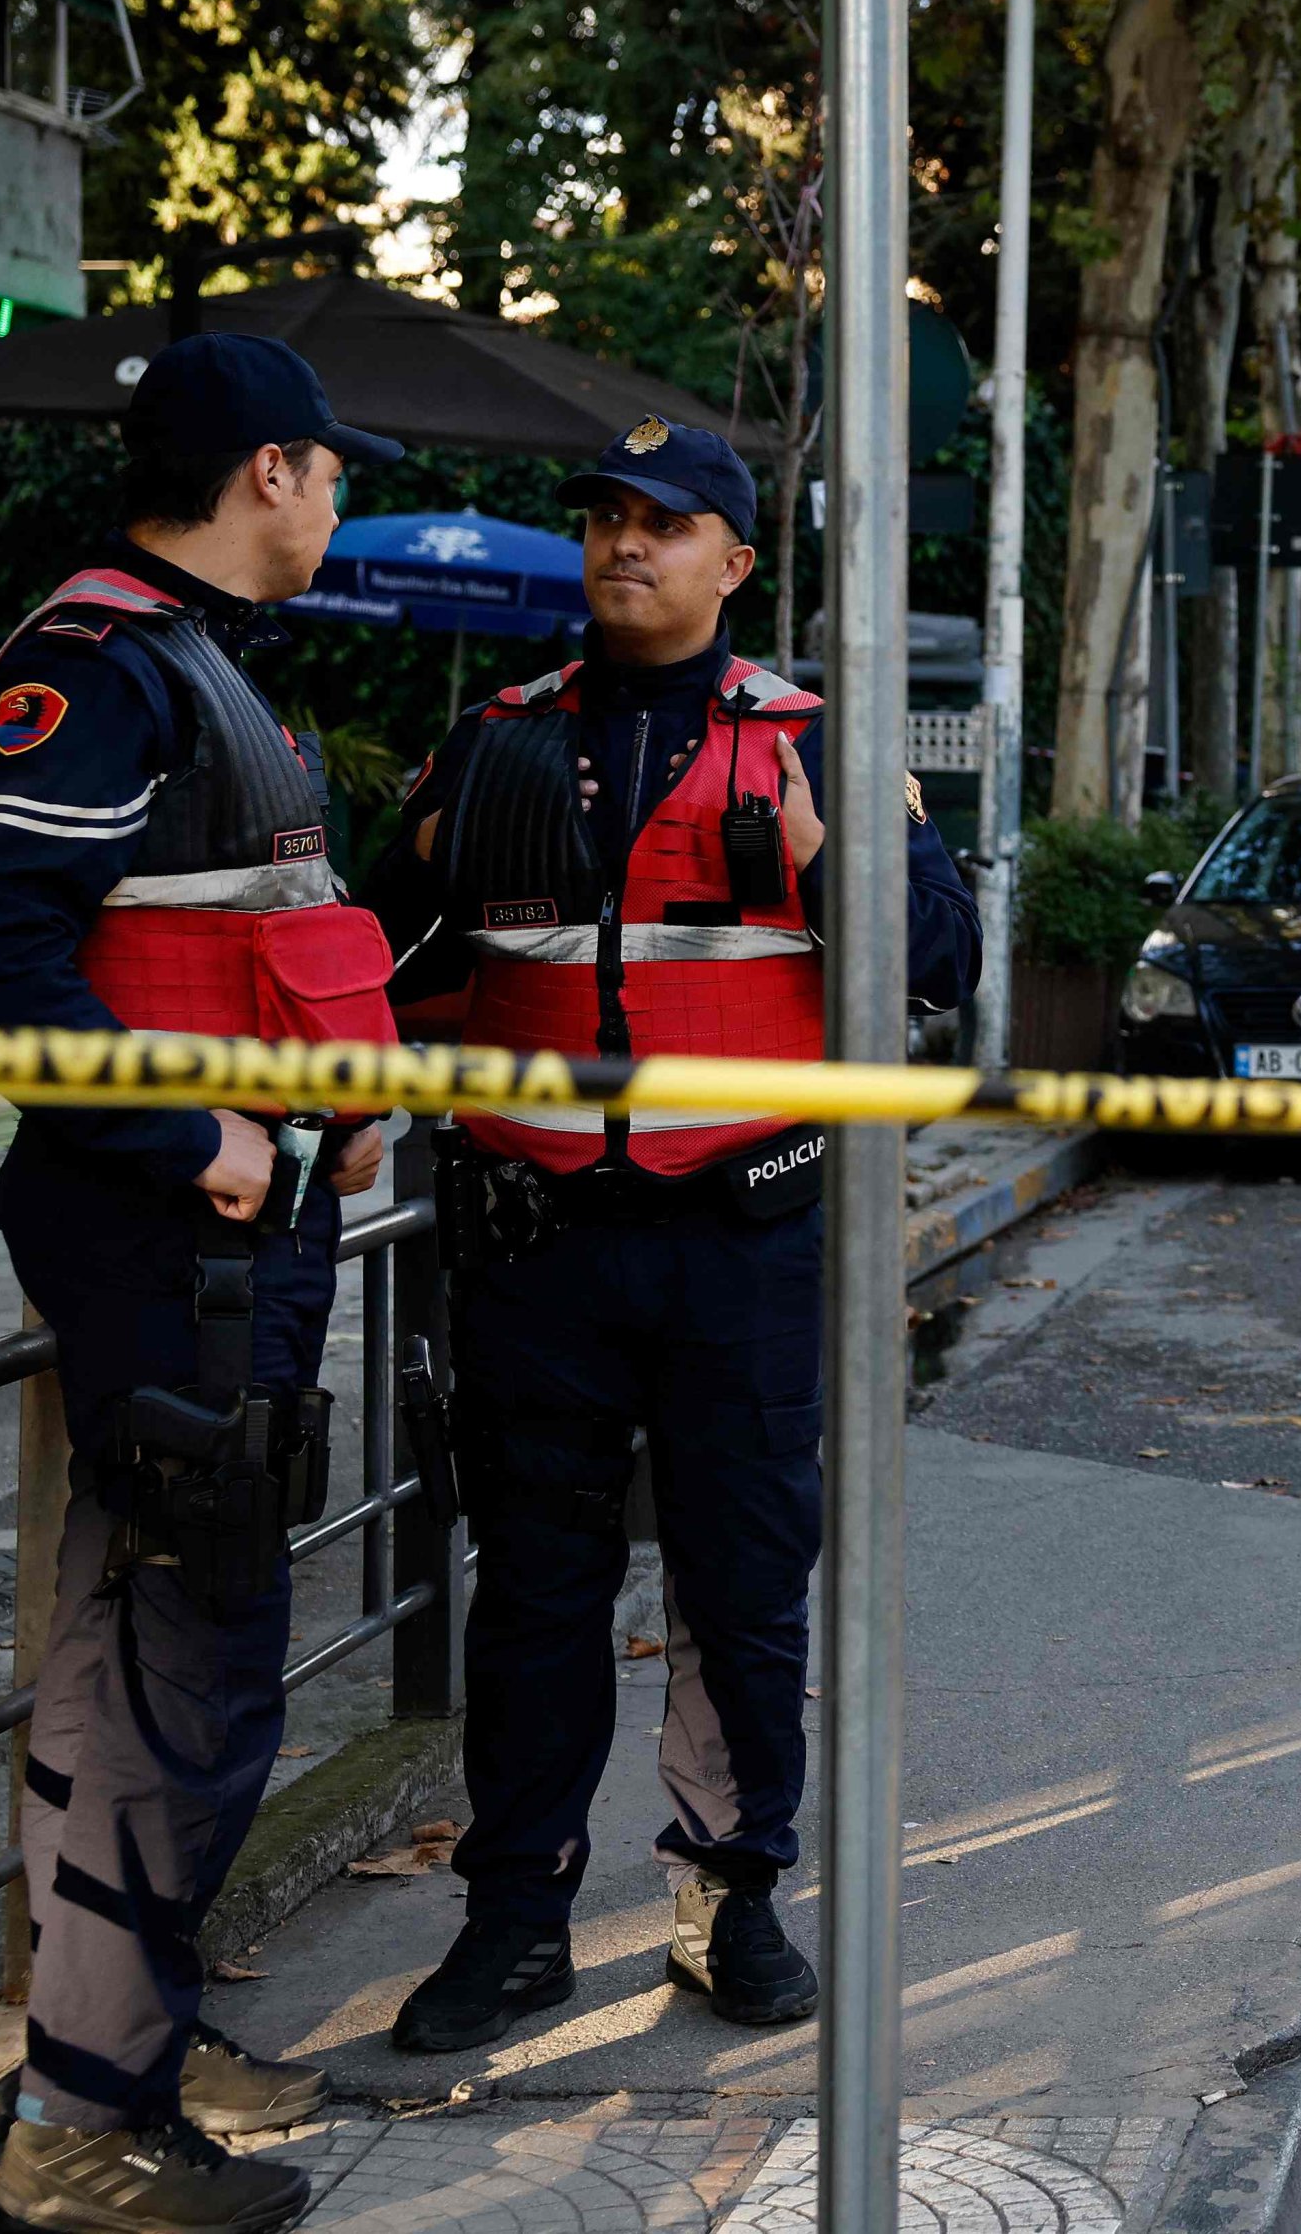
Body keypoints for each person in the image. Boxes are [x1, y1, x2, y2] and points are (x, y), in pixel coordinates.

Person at [363, 419, 980, 2055]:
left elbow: (939, 962)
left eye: (665, 522)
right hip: (534, 1248)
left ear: (736, 561)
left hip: (742, 1248)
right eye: (605, 520)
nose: (624, 545)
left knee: (745, 1589)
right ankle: (515, 1927)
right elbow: (370, 957)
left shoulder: (817, 747)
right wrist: (419, 857)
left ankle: (729, 1904)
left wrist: (823, 846)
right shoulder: (495, 735)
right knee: (535, 1597)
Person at [0, 335, 410, 2234]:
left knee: (185, 1656)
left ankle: (127, 2051)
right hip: (168, 1245)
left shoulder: (198, 671)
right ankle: (79, 2136)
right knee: (162, 1669)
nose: (343, 497)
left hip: (235, 1235)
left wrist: (324, 1111)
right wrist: (187, 1133)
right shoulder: (100, 666)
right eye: (333, 468)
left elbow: (234, 947)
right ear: (268, 472)